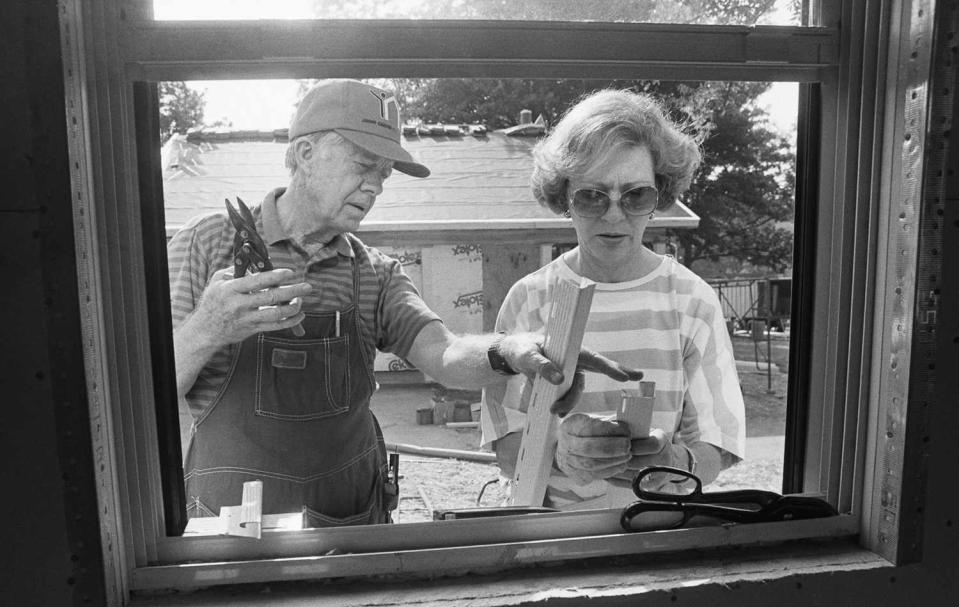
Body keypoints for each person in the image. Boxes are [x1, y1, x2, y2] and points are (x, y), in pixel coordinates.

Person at [168, 79, 642, 526]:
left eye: (384, 173)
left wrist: (514, 350)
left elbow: (445, 356)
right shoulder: (207, 243)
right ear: (306, 153)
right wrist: (209, 326)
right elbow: (144, 391)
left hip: (349, 527)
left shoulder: (375, 272)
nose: (375, 186)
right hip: (231, 531)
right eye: (362, 166)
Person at [481, 88, 746, 510]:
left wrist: (674, 461)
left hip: (656, 534)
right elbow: (503, 442)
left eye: (635, 195)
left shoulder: (692, 299)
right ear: (563, 198)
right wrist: (559, 451)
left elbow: (721, 443)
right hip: (552, 539)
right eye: (592, 196)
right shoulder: (529, 299)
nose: (614, 214)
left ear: (659, 195)